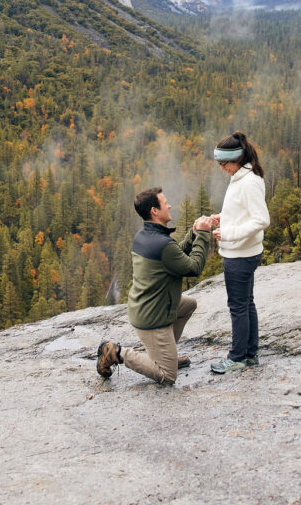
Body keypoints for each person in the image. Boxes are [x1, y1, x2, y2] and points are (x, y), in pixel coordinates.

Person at [96, 187, 211, 384]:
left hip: (147, 306)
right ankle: (115, 352)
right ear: (154, 211)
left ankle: (167, 355)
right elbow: (193, 267)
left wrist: (193, 234)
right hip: (152, 317)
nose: (169, 205)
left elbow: (176, 256)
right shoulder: (161, 243)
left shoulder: (147, 236)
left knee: (188, 304)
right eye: (165, 202)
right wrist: (202, 235)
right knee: (167, 376)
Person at [209, 132, 270, 374]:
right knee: (247, 303)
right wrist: (222, 218)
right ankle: (250, 354)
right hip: (243, 251)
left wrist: (229, 233)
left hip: (240, 254)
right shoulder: (241, 177)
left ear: (237, 158)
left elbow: (261, 219)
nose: (222, 169)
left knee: (238, 306)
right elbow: (242, 211)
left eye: (224, 164)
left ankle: (237, 357)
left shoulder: (248, 181)